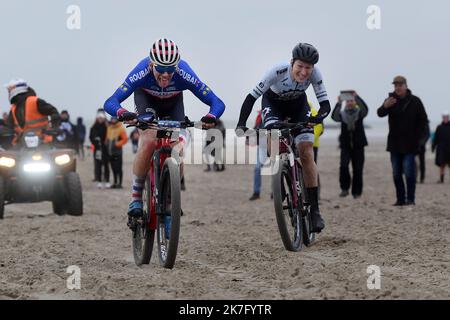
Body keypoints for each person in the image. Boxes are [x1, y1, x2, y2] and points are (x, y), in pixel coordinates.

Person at [103, 38, 226, 220]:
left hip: (173, 105)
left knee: (178, 148)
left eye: (171, 69)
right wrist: (123, 113)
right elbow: (111, 102)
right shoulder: (141, 71)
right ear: (152, 64)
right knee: (149, 140)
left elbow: (216, 102)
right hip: (147, 101)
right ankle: (136, 197)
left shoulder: (183, 72)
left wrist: (211, 116)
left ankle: (170, 197)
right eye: (161, 69)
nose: (166, 74)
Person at [236, 43, 331, 233]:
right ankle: (280, 177)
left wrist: (317, 117)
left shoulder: (315, 74)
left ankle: (315, 211)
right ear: (292, 63)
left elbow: (325, 105)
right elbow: (251, 97)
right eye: (300, 67)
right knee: (273, 139)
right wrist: (241, 124)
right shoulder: (276, 71)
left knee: (306, 152)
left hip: (298, 107)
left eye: (308, 68)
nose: (304, 72)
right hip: (274, 105)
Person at [377, 76, 429, 206]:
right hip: (394, 144)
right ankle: (400, 199)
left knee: (409, 172)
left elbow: (423, 121)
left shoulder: (415, 101)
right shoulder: (390, 100)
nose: (397, 88)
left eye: (400, 85)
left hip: (410, 144)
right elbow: (380, 113)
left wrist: (421, 140)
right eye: (395, 85)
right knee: (396, 173)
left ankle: (410, 199)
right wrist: (385, 106)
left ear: (405, 86)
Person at [331, 91, 368, 198]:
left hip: (358, 145)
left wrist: (357, 97)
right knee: (343, 167)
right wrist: (338, 103)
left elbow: (366, 110)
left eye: (352, 101)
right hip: (345, 146)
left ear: (355, 102)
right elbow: (334, 117)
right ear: (345, 102)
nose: (350, 103)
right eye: (348, 101)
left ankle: (356, 192)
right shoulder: (342, 114)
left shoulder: (360, 113)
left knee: (358, 169)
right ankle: (344, 189)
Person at [4, 79, 60, 146]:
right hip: (21, 144)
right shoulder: (14, 108)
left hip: (43, 142)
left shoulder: (35, 102)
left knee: (61, 154)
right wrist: (3, 130)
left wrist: (54, 127)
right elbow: (9, 126)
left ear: (16, 89)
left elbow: (53, 112)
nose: (9, 92)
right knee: (6, 154)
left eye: (10, 90)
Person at [249, 109, 268, 201]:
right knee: (257, 168)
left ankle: (276, 193)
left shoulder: (279, 112)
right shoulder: (260, 116)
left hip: (275, 144)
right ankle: (256, 192)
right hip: (262, 146)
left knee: (276, 169)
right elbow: (256, 128)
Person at [105, 116, 128, 188]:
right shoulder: (109, 128)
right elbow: (106, 138)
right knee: (113, 168)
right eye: (112, 119)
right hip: (110, 152)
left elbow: (125, 139)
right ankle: (115, 182)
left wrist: (117, 144)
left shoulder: (121, 128)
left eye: (114, 119)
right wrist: (105, 144)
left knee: (119, 168)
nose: (113, 120)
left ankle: (120, 183)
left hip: (118, 152)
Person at [89, 109, 110, 189]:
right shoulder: (93, 127)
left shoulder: (107, 126)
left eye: (102, 118)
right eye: (99, 118)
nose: (100, 119)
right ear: (97, 118)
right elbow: (90, 137)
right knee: (98, 165)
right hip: (97, 149)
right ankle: (99, 181)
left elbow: (110, 136)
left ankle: (107, 180)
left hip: (105, 149)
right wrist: (95, 141)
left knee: (106, 165)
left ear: (104, 118)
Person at [432, 112, 450, 183]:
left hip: (449, 149)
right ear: (442, 118)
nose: (445, 118)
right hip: (441, 149)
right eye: (444, 117)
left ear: (448, 117)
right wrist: (433, 146)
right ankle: (441, 179)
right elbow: (436, 138)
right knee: (442, 165)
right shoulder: (439, 127)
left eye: (446, 117)